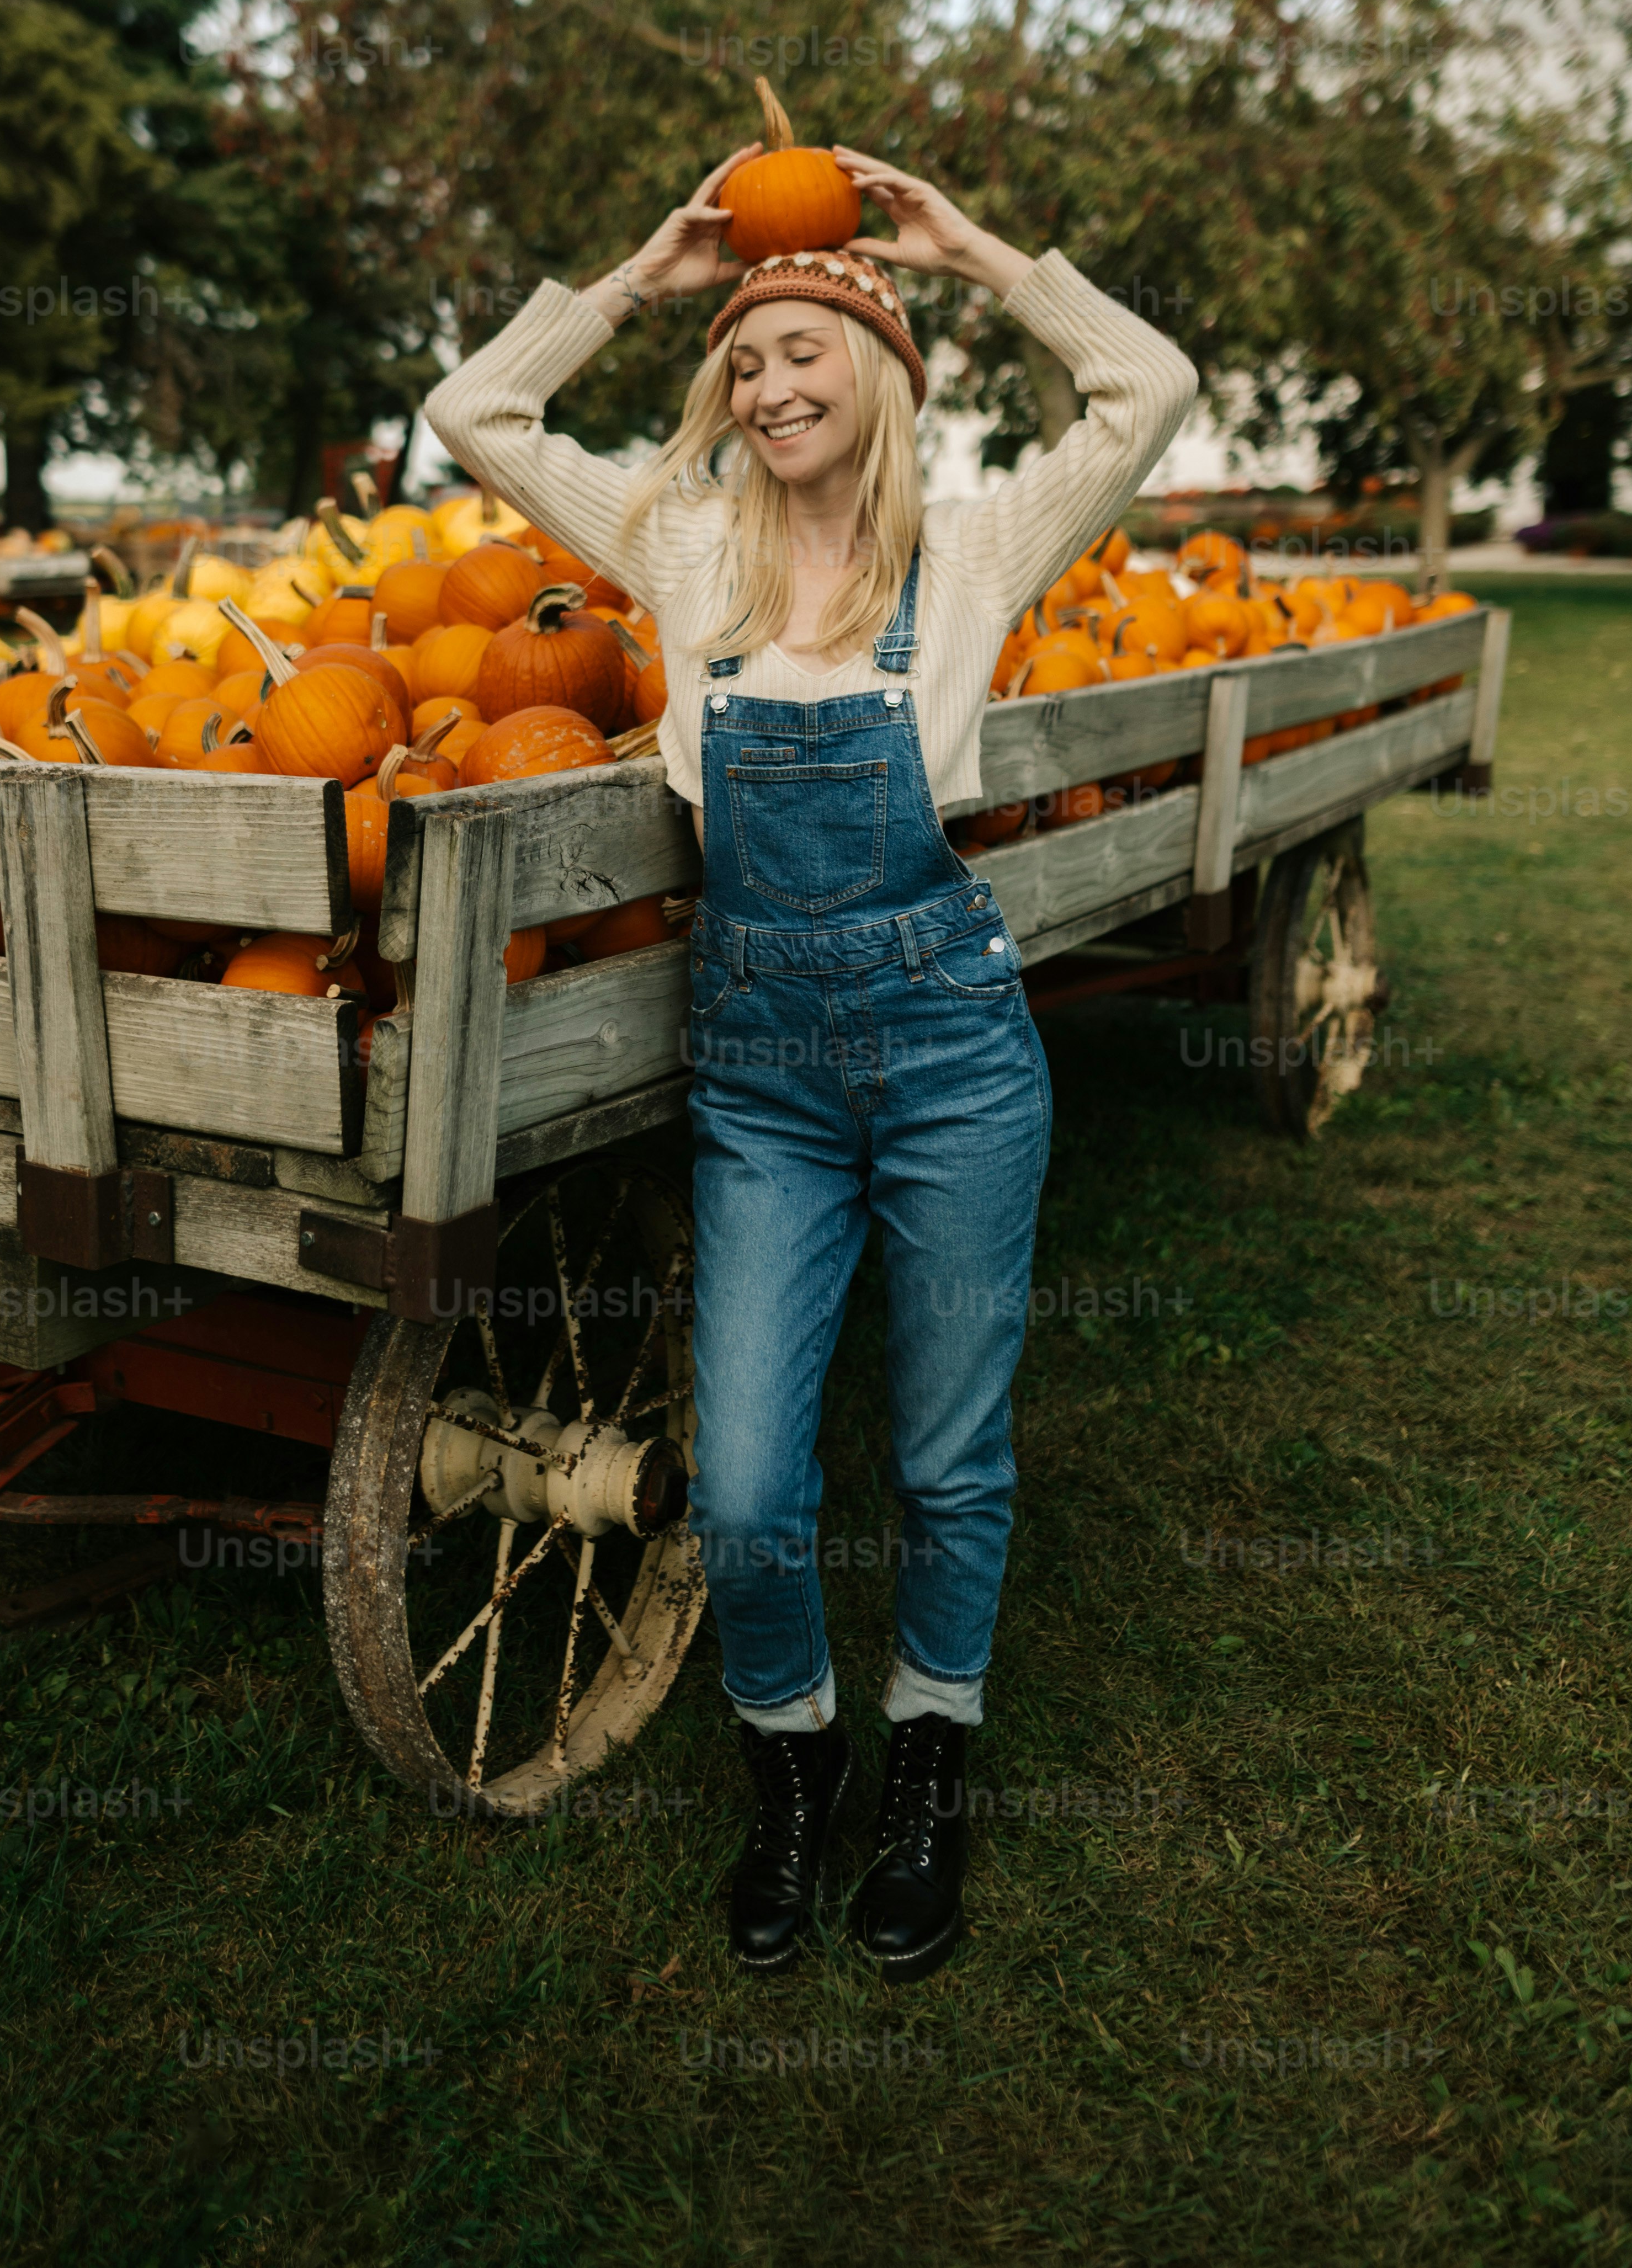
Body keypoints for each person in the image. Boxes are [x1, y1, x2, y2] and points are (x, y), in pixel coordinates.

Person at [426, 143, 1197, 1978]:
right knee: (757, 1488)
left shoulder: (983, 545)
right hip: (762, 1072)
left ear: (887, 376)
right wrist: (655, 264)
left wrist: (969, 247)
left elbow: (1147, 385)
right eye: (749, 359)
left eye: (809, 352)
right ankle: (795, 1761)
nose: (772, 385)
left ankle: (932, 1764)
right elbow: (478, 407)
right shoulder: (681, 548)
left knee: (946, 1460)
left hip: (951, 1059)